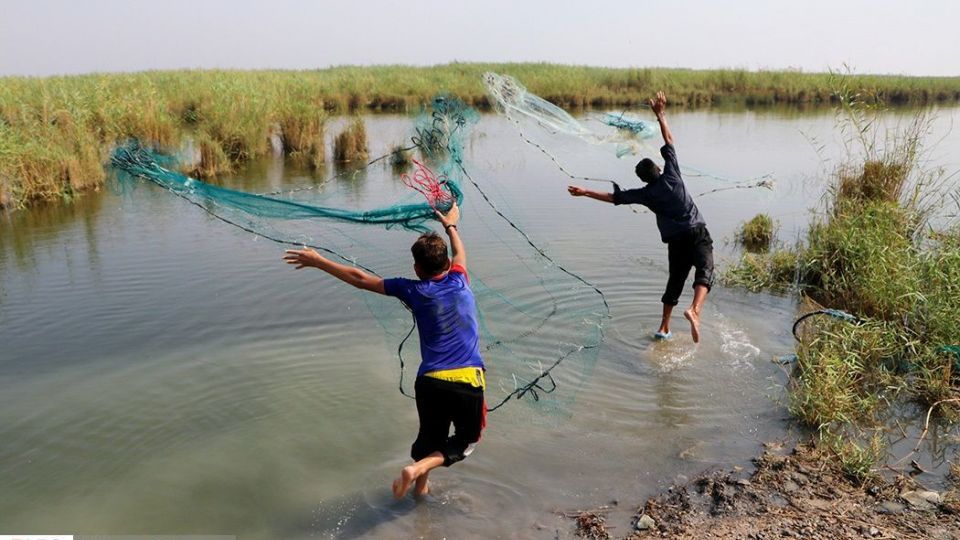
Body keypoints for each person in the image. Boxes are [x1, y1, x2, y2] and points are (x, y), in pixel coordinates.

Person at [283, 202, 485, 499]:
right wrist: (451, 224)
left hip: (429, 381)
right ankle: (416, 472)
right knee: (467, 441)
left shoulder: (412, 290)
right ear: (447, 263)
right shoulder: (460, 279)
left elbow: (360, 279)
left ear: (417, 269)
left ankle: (420, 494)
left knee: (430, 439)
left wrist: (318, 261)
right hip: (467, 381)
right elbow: (461, 253)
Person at [566, 91, 713, 343]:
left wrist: (585, 192)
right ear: (658, 169)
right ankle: (695, 310)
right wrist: (660, 114)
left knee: (674, 282)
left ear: (643, 179)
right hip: (696, 231)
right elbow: (668, 138)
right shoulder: (672, 174)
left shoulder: (645, 194)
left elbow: (614, 198)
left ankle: (663, 327)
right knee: (706, 270)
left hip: (676, 241)